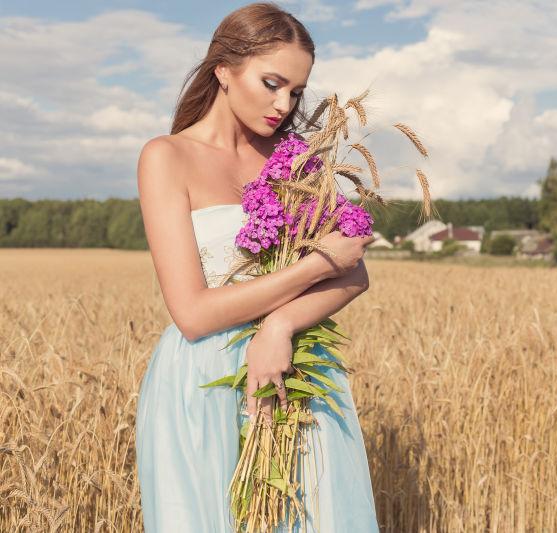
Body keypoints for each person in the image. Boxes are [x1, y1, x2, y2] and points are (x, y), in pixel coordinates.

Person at [134, 3, 379, 531]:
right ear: (224, 70)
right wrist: (314, 266)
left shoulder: (295, 164)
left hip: (295, 371)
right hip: (202, 378)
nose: (283, 104)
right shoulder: (166, 157)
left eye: (295, 91)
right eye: (272, 83)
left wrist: (281, 325)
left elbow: (354, 272)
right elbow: (193, 314)